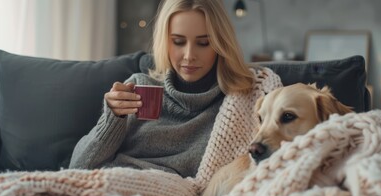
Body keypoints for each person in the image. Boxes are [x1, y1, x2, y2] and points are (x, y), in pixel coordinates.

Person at [69, 0, 281, 180]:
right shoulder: (138, 86)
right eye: (178, 42)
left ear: (220, 44)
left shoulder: (239, 102)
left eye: (203, 43)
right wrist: (112, 118)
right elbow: (77, 167)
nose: (189, 55)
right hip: (105, 183)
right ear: (165, 42)